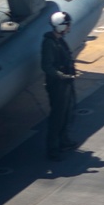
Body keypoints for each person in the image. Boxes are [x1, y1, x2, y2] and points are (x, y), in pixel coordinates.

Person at [41, 10, 79, 161]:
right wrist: (63, 76)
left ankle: (64, 141)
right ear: (61, 26)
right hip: (57, 85)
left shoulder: (59, 40)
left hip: (65, 83)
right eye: (67, 25)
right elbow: (47, 66)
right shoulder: (49, 43)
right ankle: (53, 148)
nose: (69, 28)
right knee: (57, 117)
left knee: (67, 113)